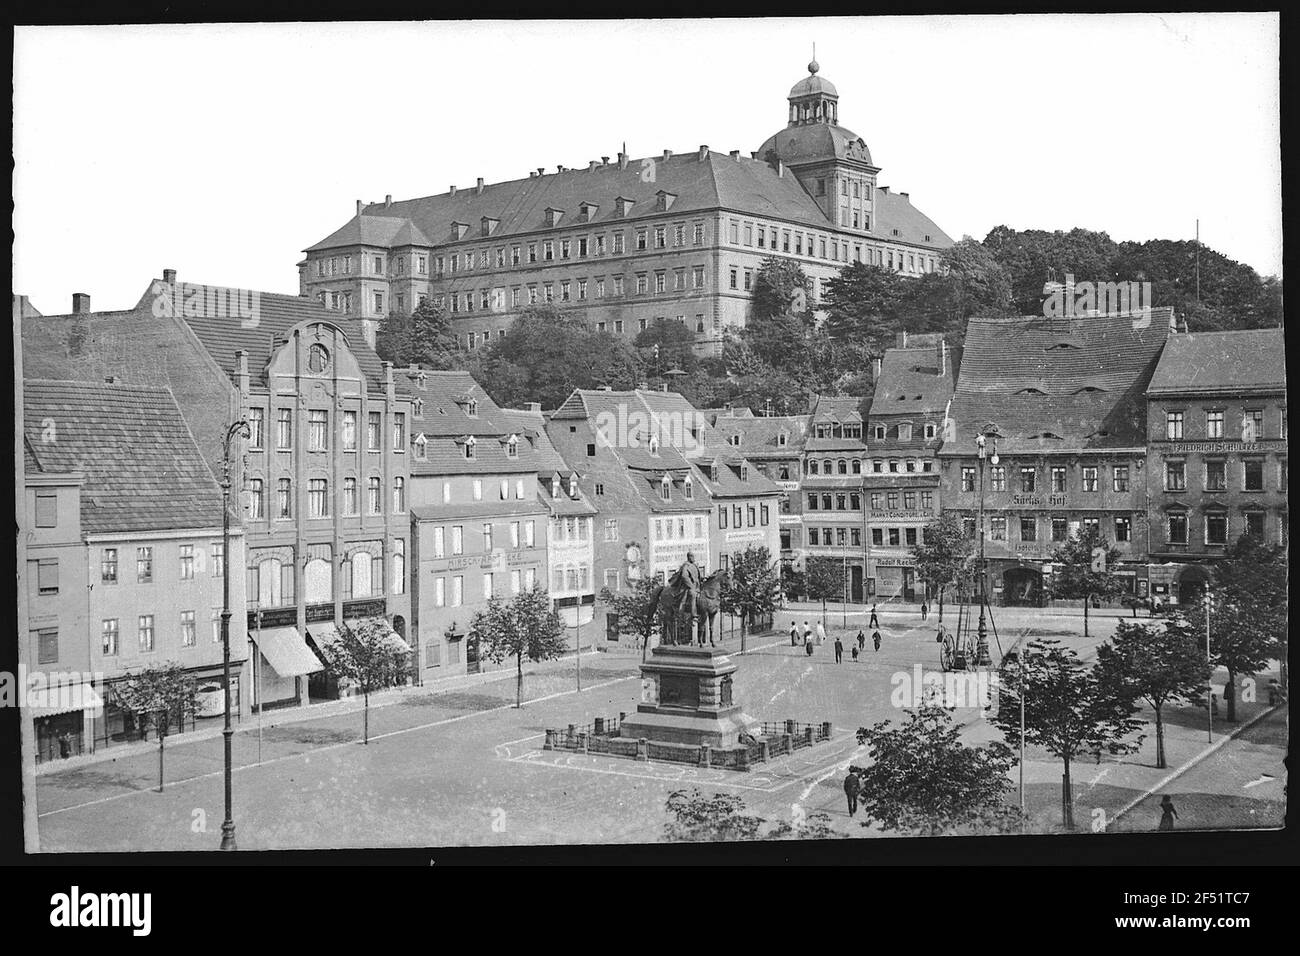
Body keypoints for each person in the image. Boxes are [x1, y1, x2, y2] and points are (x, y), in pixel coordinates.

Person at [671, 551, 701, 621]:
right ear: (689, 557)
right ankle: (694, 613)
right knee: (693, 594)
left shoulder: (694, 565)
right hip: (687, 586)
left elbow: (698, 577)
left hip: (697, 586)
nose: (693, 558)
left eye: (693, 556)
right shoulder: (686, 566)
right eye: (692, 556)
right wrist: (691, 585)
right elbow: (684, 576)